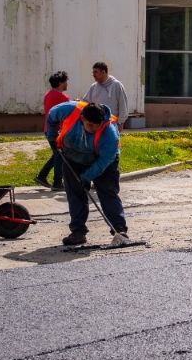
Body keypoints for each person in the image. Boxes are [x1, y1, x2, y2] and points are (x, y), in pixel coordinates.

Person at [45, 100, 127, 247]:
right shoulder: (68, 110)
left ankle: (119, 229)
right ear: (82, 118)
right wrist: (51, 138)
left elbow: (104, 161)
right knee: (75, 194)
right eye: (90, 125)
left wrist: (87, 177)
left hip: (103, 162)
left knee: (107, 191)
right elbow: (51, 116)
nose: (94, 129)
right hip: (72, 158)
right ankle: (78, 232)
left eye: (97, 126)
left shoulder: (110, 133)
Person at [35, 70, 69, 189]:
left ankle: (42, 176)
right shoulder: (63, 97)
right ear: (61, 83)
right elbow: (67, 115)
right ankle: (57, 183)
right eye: (66, 82)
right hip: (57, 131)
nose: (67, 84)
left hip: (47, 129)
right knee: (60, 156)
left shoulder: (48, 94)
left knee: (57, 154)